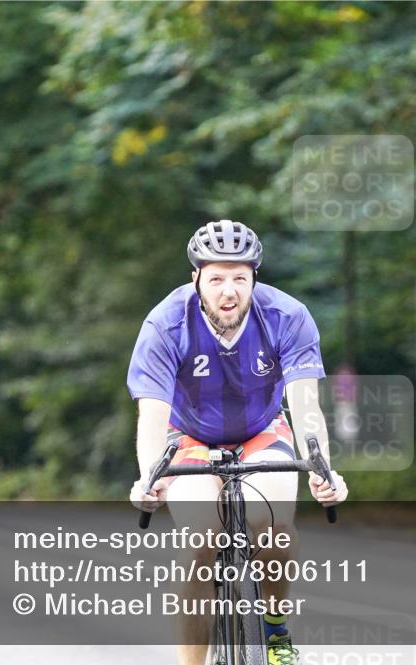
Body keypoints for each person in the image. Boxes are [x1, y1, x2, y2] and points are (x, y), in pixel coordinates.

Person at [127, 219, 348, 665]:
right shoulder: (165, 324)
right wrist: (150, 476)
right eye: (216, 279)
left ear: (254, 278)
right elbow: (152, 414)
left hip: (261, 431)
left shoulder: (287, 317)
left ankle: (275, 630)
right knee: (199, 540)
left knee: (274, 525)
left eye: (240, 279)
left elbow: (306, 405)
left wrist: (323, 467)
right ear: (196, 279)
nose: (229, 292)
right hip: (188, 435)